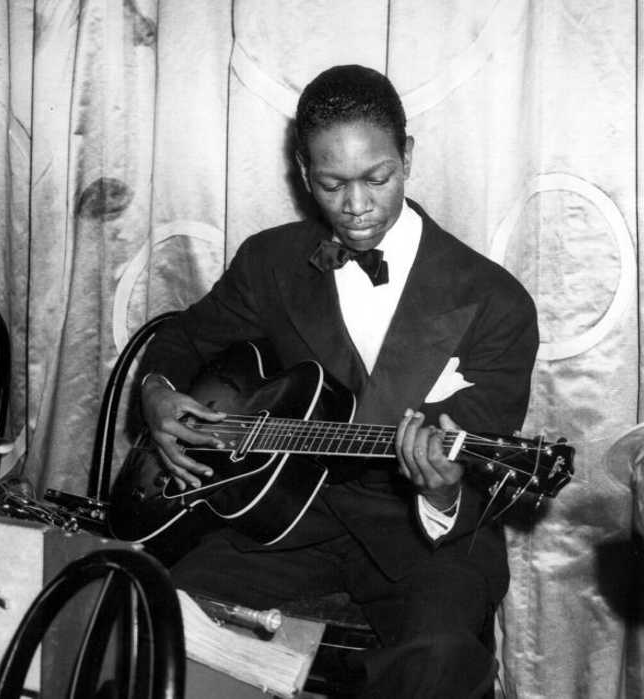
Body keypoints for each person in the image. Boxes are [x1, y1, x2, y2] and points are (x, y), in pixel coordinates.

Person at [136, 64, 539, 698]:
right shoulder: (271, 261)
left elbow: (485, 461)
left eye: (378, 178)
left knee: (439, 660)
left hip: (428, 536)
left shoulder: (495, 301)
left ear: (406, 155)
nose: (356, 207)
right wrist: (156, 390)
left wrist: (441, 491)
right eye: (331, 184)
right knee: (157, 615)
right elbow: (185, 337)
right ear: (303, 174)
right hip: (291, 518)